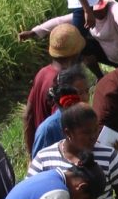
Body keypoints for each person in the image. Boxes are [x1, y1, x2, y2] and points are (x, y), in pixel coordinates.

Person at [18, 0, 118, 70]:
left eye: (102, 8)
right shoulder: (88, 15)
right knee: (82, 45)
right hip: (109, 55)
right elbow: (60, 21)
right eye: (95, 10)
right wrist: (33, 32)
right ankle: (100, 77)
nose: (99, 12)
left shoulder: (114, 7)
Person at [23, 24, 86, 156]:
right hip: (58, 153)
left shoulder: (42, 73)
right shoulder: (63, 84)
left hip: (41, 147)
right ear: (76, 54)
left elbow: (27, 115)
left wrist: (31, 154)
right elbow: (63, 124)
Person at [30, 67, 92, 157]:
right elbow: (39, 164)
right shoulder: (48, 130)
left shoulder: (89, 120)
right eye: (80, 93)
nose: (86, 97)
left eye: (87, 91)